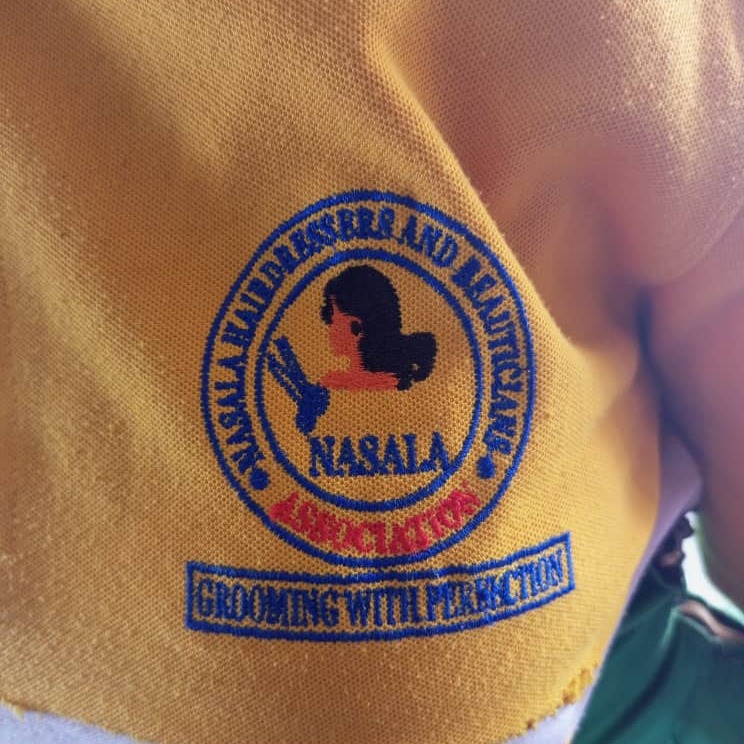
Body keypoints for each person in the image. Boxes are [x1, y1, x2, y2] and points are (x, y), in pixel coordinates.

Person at [1, 2, 742, 743]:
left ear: (355, 325)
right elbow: (724, 337)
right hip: (584, 642)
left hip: (58, 657)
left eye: (333, 321)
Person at [319, 265, 437, 391]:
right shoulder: (401, 381)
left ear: (355, 327)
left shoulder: (334, 385)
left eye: (332, 320)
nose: (329, 329)